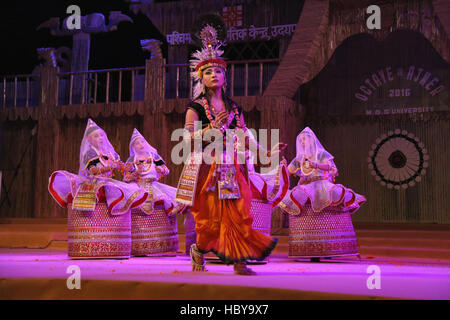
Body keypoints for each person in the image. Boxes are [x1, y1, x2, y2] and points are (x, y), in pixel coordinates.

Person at [174, 24, 286, 275]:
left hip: (232, 167)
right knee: (210, 219)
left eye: (218, 71)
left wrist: (267, 154)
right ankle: (199, 251)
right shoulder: (196, 107)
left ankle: (239, 262)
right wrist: (212, 127)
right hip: (207, 168)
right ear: (201, 78)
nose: (214, 75)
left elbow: (244, 136)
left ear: (225, 77)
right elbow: (187, 139)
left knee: (239, 214)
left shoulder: (234, 108)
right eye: (208, 72)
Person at [48, 118, 148, 215]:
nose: (100, 138)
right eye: (96, 136)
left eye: (101, 135)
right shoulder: (90, 153)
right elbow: (92, 170)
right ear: (89, 139)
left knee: (130, 190)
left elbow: (121, 166)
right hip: (94, 182)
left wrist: (133, 167)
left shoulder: (109, 153)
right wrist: (110, 167)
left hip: (107, 181)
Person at [279, 127, 366, 215]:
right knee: (297, 197)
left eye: (304, 139)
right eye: (300, 140)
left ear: (312, 140)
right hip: (306, 186)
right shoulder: (299, 159)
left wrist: (315, 165)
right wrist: (283, 166)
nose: (302, 142)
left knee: (328, 196)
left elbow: (330, 167)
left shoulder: (321, 154)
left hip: (321, 184)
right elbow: (287, 173)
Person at [124, 128, 185, 215]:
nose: (141, 144)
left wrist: (160, 169)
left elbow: (166, 170)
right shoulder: (131, 160)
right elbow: (126, 178)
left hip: (153, 186)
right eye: (137, 143)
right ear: (133, 146)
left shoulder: (153, 156)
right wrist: (137, 173)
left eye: (142, 142)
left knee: (163, 202)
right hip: (137, 187)